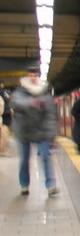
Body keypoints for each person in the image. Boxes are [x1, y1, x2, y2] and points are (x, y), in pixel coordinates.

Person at [10, 64, 58, 196]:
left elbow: (51, 116)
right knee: (25, 160)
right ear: (26, 77)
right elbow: (16, 103)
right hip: (23, 131)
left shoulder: (45, 94)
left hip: (41, 131)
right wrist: (31, 103)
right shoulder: (19, 92)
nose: (33, 78)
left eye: (35, 75)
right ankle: (24, 185)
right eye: (30, 75)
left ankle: (51, 186)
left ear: (38, 77)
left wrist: (51, 136)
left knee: (46, 157)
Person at [0, 80, 11, 155]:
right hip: (5, 116)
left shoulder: (3, 93)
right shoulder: (4, 93)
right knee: (4, 133)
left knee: (4, 133)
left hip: (5, 116)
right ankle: (2, 150)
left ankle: (3, 149)